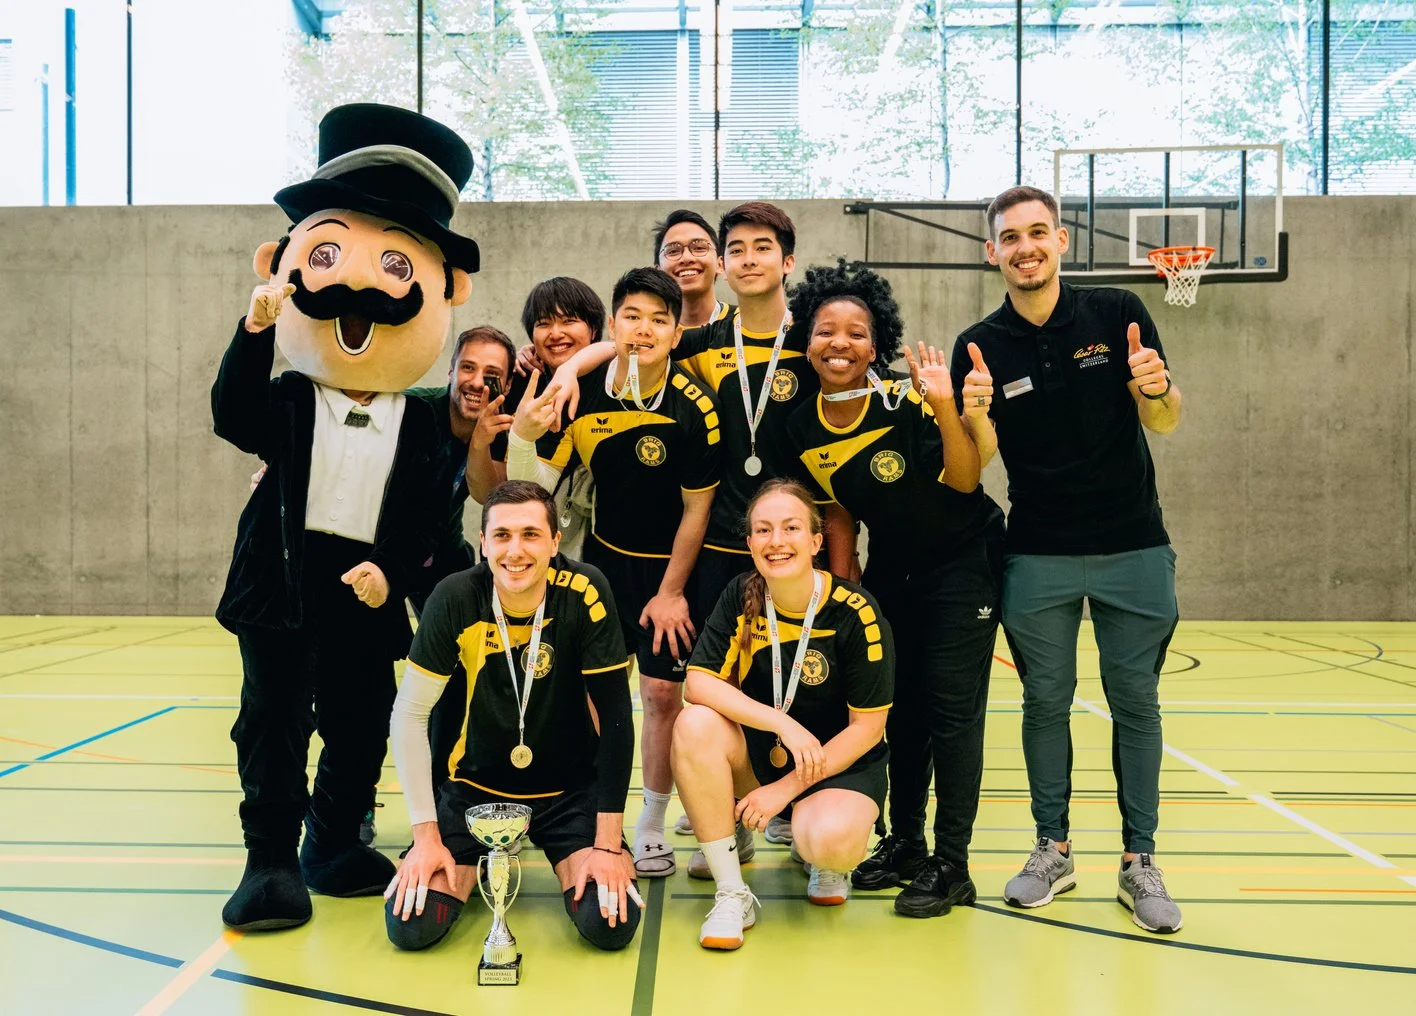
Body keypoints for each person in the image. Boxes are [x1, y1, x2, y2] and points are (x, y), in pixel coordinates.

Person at [211, 103, 477, 932]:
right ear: (282, 263)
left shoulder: (424, 420)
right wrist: (254, 332)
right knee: (275, 721)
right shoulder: (290, 398)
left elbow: (430, 515)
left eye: (397, 265)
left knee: (362, 723)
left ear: (447, 289)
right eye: (324, 255)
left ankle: (330, 843)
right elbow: (232, 416)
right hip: (283, 582)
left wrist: (391, 570)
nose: (356, 283)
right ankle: (268, 860)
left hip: (367, 588)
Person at [545, 202, 814, 850]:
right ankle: (712, 813)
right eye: (737, 248)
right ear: (725, 263)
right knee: (712, 690)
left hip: (791, 540)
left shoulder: (812, 336)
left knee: (800, 674)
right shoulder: (705, 340)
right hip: (718, 543)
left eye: (761, 247)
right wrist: (568, 367)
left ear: (787, 261)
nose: (747, 259)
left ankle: (796, 809)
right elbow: (634, 344)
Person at [951, 185, 1184, 934]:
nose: (1025, 247)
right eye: (1010, 237)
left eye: (1037, 232)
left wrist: (1159, 388)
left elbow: (1164, 420)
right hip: (1039, 552)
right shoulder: (979, 345)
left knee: (1136, 702)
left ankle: (1140, 860)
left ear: (1061, 241)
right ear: (992, 252)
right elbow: (980, 461)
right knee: (1044, 702)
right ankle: (1052, 847)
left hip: (1134, 545)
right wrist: (974, 414)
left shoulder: (1116, 313)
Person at [782, 260, 1005, 919]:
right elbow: (837, 511)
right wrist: (842, 582)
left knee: (951, 713)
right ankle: (906, 842)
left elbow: (965, 480)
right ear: (807, 341)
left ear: (876, 345)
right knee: (897, 710)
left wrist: (944, 405)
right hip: (893, 567)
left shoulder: (905, 401)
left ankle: (953, 864)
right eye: (826, 330)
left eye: (857, 333)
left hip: (963, 561)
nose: (840, 343)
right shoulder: (802, 425)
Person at [504, 267, 720, 878]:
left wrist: (672, 592)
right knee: (595, 699)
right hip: (602, 569)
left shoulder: (695, 406)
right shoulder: (582, 391)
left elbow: (698, 508)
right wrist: (523, 433)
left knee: (661, 696)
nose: (643, 330)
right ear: (615, 324)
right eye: (632, 316)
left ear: (676, 333)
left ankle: (651, 823)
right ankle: (594, 818)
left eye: (658, 320)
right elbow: (535, 488)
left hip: (669, 576)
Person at [383, 480, 642, 952]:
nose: (515, 550)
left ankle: (560, 852)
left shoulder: (586, 590)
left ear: (555, 542)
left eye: (530, 534)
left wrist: (607, 844)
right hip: (474, 790)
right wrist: (425, 836)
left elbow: (617, 719)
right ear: (483, 543)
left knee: (608, 923)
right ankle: (478, 858)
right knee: (411, 925)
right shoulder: (455, 596)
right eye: (502, 535)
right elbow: (409, 715)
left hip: (568, 791)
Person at [673, 479, 893, 950]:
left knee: (829, 842)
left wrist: (786, 790)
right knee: (693, 724)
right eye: (763, 530)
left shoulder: (855, 612)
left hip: (838, 767)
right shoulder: (741, 595)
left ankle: (818, 852)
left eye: (791, 528)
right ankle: (732, 891)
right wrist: (781, 723)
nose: (776, 541)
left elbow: (868, 729)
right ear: (750, 542)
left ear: (815, 541)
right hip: (765, 755)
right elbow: (698, 683)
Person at [467, 278, 605, 558]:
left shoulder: (613, 377)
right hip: (519, 544)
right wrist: (480, 442)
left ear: (593, 329)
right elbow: (489, 493)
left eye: (568, 321)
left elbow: (622, 347)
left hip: (596, 548)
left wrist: (570, 368)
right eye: (543, 323)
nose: (555, 333)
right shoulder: (521, 381)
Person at [651, 209, 730, 329]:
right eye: (673, 251)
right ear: (658, 271)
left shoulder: (745, 323)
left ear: (720, 264)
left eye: (699, 248)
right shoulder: (646, 332)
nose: (686, 258)